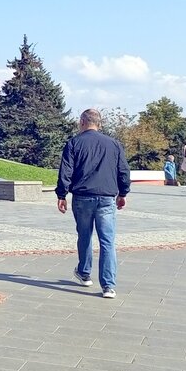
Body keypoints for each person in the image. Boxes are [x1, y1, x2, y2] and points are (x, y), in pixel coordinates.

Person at [56, 109, 130, 299]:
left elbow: (66, 171)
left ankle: (84, 272)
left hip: (82, 196)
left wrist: (62, 194)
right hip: (106, 197)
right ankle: (108, 286)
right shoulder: (114, 144)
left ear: (82, 122)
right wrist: (123, 193)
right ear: (99, 123)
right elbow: (123, 170)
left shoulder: (74, 143)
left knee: (85, 235)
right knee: (107, 241)